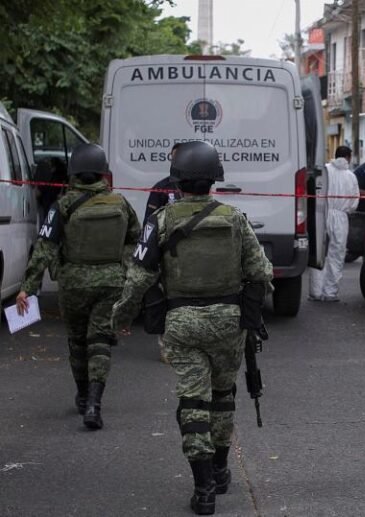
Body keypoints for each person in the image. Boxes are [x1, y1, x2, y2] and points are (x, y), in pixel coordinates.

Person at [111, 141, 273, 515]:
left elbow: (138, 278)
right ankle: (219, 468)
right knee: (222, 396)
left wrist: (119, 317)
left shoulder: (161, 220)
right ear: (215, 180)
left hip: (182, 324)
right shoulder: (234, 218)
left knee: (193, 402)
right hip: (230, 324)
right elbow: (261, 273)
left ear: (177, 180)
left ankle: (203, 490)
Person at [15, 144, 140, 430]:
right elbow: (136, 239)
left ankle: (83, 396)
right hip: (110, 283)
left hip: (73, 284)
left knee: (77, 342)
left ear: (73, 173)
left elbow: (45, 246)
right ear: (102, 172)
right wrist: (123, 268)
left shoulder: (63, 205)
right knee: (100, 341)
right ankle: (95, 402)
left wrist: (28, 288)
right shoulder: (120, 203)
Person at [145, 142, 183, 363]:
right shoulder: (161, 188)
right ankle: (166, 346)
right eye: (174, 157)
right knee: (165, 302)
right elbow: (148, 225)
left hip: (189, 258)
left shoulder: (193, 188)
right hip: (165, 256)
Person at [309, 146, 359, 302]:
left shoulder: (324, 171)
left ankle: (316, 291)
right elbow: (353, 203)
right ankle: (330, 292)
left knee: (319, 253)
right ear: (349, 157)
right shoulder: (351, 176)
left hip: (321, 214)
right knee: (336, 254)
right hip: (340, 217)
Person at [144, 142, 183, 224]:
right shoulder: (160, 188)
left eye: (180, 158)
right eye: (173, 158)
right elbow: (149, 222)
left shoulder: (196, 187)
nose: (175, 162)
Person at [35, 157, 68, 226]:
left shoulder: (51, 177)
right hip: (55, 202)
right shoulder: (61, 176)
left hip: (50, 202)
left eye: (50, 165)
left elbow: (40, 193)